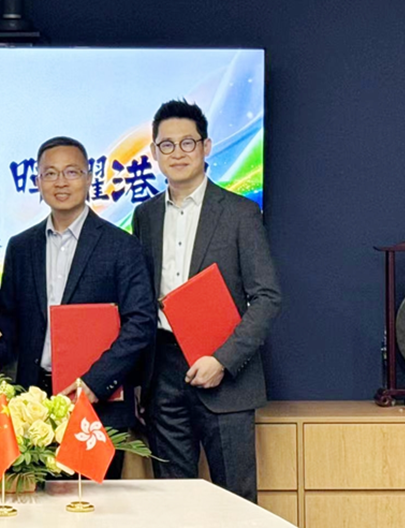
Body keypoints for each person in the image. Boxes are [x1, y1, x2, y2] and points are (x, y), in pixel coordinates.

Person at [132, 100, 281, 502]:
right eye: (166, 145)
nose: (177, 153)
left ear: (206, 146)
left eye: (187, 143)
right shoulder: (145, 216)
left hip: (226, 373)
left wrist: (223, 360)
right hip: (163, 370)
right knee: (173, 501)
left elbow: (267, 297)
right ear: (154, 153)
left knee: (236, 501)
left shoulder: (240, 213)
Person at [0, 136, 156, 479]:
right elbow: (8, 322)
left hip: (98, 401)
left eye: (71, 172)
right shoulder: (21, 247)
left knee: (93, 504)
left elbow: (140, 322)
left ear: (89, 178)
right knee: (38, 503)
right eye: (50, 173)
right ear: (37, 182)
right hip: (33, 404)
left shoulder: (121, 246)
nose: (61, 182)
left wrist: (96, 383)